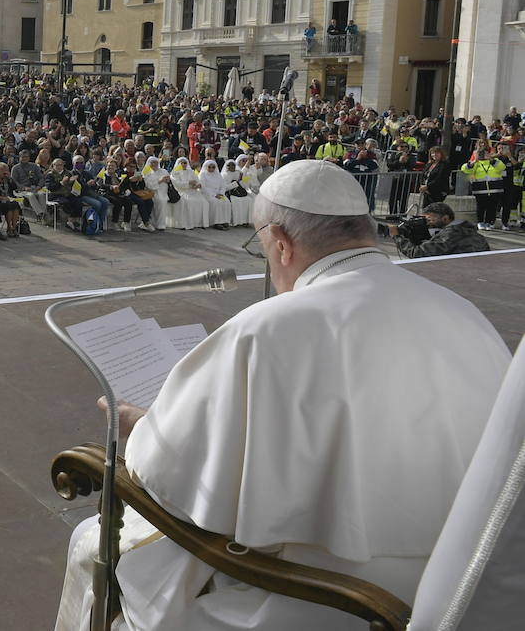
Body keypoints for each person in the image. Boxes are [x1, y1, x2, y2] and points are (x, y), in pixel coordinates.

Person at [55, 160, 511, 631]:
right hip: (456, 586)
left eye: (261, 248)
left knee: (91, 545)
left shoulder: (265, 330)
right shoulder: (462, 313)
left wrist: (142, 427)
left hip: (316, 599)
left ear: (280, 242)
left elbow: (173, 477)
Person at [392, 201, 491, 258]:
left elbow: (417, 253)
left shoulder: (451, 234)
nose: (427, 223)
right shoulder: (468, 230)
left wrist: (397, 236)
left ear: (445, 218)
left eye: (430, 219)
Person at [461, 147, 507, 230]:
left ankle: (489, 222)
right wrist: (474, 161)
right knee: (481, 207)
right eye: (481, 154)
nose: (484, 155)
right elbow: (465, 170)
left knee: (492, 207)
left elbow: (502, 167)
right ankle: (480, 222)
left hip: (495, 189)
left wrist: (491, 160)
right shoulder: (476, 163)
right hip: (480, 190)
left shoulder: (495, 161)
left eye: (486, 153)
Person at [168, 158, 211, 229]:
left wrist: (198, 185)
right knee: (188, 202)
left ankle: (199, 223)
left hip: (193, 191)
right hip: (181, 192)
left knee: (204, 202)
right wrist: (188, 183)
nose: (183, 164)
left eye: (185, 163)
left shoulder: (191, 172)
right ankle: (187, 224)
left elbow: (198, 181)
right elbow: (177, 184)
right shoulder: (174, 173)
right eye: (181, 163)